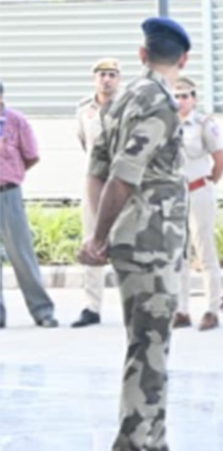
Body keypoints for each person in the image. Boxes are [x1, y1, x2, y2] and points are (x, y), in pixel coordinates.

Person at [78, 17, 203, 451]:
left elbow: (97, 170)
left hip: (142, 239)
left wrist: (101, 232)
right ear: (184, 59)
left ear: (142, 54)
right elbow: (124, 173)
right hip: (149, 241)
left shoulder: (125, 98)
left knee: (153, 344)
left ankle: (154, 443)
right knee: (147, 348)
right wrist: (100, 236)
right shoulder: (157, 102)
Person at [0, 82, 58, 329]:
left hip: (8, 193)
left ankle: (42, 311)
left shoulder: (16, 121)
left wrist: (11, 172)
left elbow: (31, 155)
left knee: (22, 254)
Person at [72, 58, 122, 327]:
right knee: (92, 239)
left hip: (122, 181)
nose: (107, 79)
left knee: (125, 240)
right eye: (102, 74)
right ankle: (92, 306)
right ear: (95, 79)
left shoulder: (127, 107)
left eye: (112, 74)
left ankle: (132, 302)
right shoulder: (83, 110)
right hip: (94, 182)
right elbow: (85, 144)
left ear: (119, 79)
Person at [174, 77, 223, 331]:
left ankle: (212, 309)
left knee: (204, 250)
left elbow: (220, 159)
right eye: (176, 96)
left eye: (185, 96)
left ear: (193, 99)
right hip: (175, 194)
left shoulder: (203, 123)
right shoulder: (167, 124)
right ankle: (182, 309)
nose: (180, 101)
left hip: (199, 190)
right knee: (179, 253)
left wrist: (207, 182)